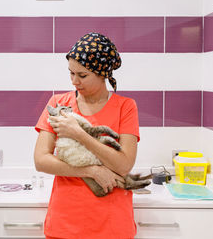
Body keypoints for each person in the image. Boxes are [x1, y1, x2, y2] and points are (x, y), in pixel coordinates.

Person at [34, 32, 140, 238]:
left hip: (112, 224)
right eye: (71, 73)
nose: (75, 81)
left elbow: (124, 164)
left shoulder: (125, 107)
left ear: (103, 74)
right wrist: (92, 171)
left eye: (82, 75)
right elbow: (41, 161)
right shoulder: (58, 103)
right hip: (66, 223)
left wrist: (79, 134)